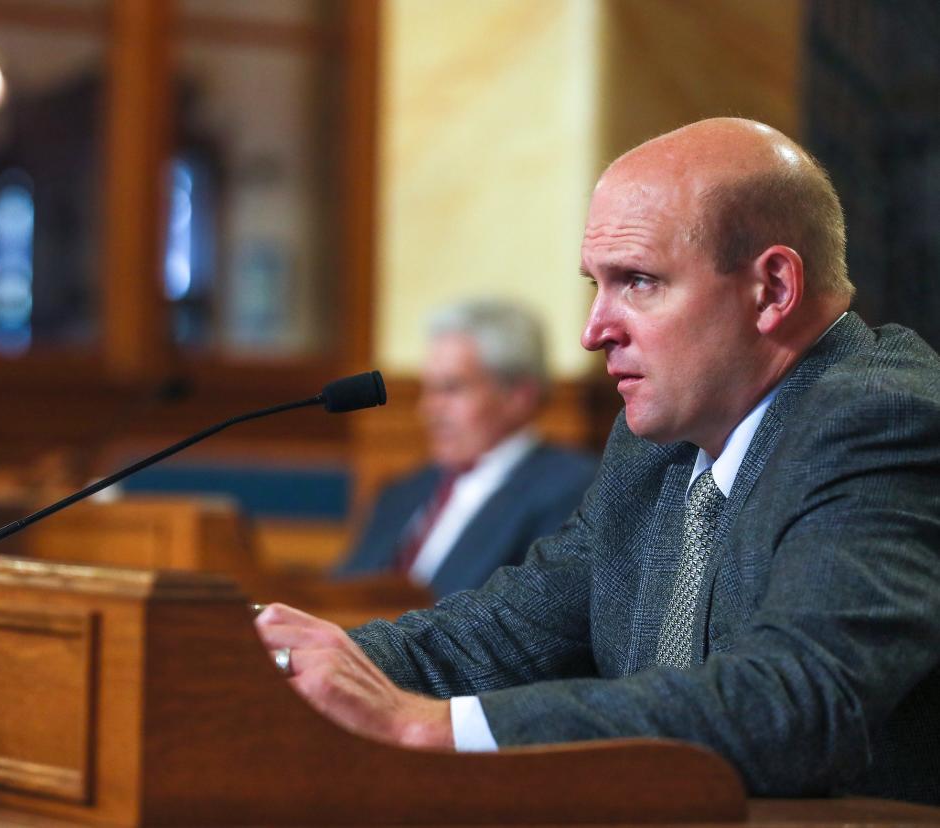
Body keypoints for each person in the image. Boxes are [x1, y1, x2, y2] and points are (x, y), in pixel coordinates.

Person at [256, 118, 940, 804]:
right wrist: (301, 666)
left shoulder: (882, 418)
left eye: (638, 281)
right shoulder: (654, 445)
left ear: (773, 289)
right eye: (596, 284)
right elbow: (504, 636)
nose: (593, 331)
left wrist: (431, 729)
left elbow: (799, 704)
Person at [334, 300, 597, 596]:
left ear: (519, 395)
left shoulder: (571, 491)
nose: (428, 409)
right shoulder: (403, 491)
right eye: (428, 389)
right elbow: (342, 595)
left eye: (452, 388)